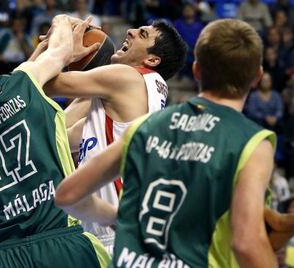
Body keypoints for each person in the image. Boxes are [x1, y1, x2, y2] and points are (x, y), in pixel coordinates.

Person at [56, 19, 279, 267]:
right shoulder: (250, 142)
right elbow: (247, 243)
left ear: (196, 71)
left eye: (142, 33)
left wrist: (60, 43)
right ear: (257, 77)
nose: (131, 32)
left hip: (126, 250)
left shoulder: (151, 126)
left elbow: (67, 193)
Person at [0, 15, 112, 268]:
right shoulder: (24, 82)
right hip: (61, 239)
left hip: (5, 255)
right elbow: (59, 52)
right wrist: (61, 21)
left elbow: (0, 104)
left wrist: (37, 57)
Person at [41, 18, 187, 253]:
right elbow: (60, 137)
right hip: (120, 233)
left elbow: (44, 83)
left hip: (113, 233)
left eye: (142, 34)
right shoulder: (134, 96)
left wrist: (62, 48)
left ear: (152, 59)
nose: (129, 31)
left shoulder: (126, 78)